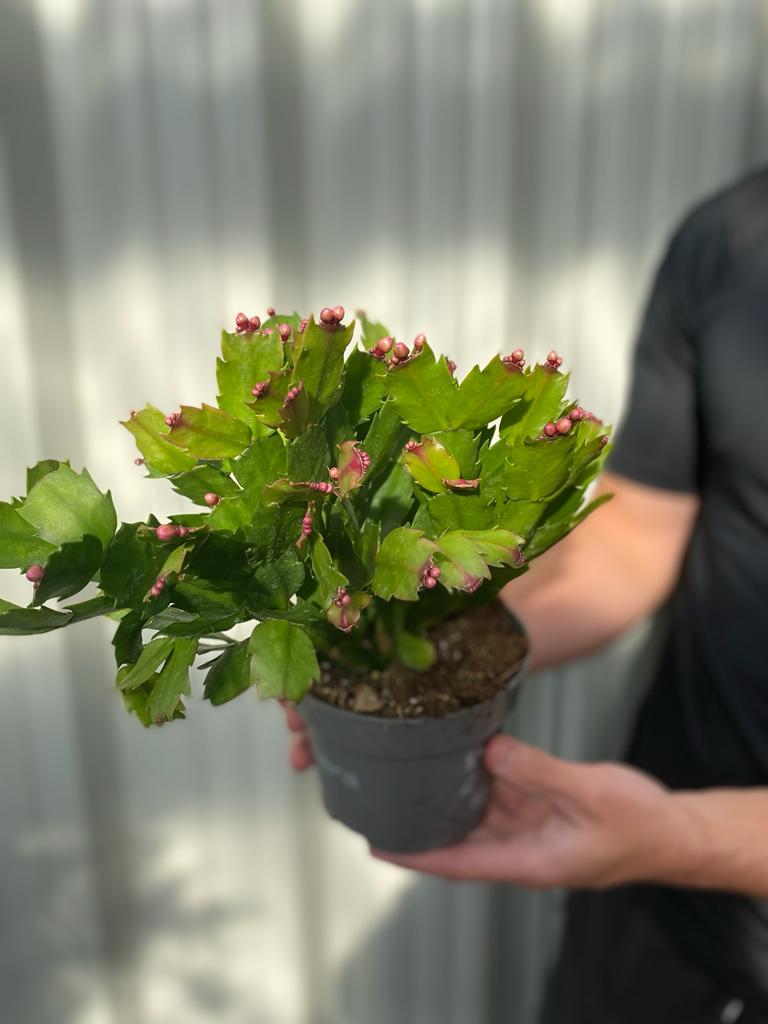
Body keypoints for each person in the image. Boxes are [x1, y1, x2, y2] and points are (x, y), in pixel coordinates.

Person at [286, 168, 768, 1023]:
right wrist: (405, 630)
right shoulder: (733, 239)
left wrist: (678, 837)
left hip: (666, 840)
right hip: (650, 888)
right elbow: (637, 536)